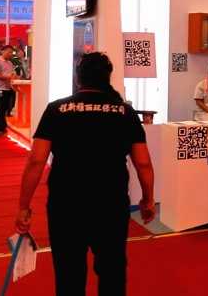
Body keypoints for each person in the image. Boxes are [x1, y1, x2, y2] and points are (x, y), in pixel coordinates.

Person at [15, 52, 155, 295]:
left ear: (78, 78)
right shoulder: (126, 113)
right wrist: (148, 199)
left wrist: (24, 206)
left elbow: (36, 161)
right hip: (110, 202)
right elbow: (143, 163)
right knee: (112, 269)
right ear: (108, 78)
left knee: (69, 271)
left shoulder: (57, 109)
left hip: (66, 202)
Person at [0, 45, 19, 135]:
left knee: (5, 109)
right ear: (3, 51)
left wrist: (14, 76)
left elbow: (11, 74)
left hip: (8, 88)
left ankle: (2, 127)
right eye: (9, 52)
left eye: (11, 52)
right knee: (0, 109)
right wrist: (8, 77)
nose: (10, 54)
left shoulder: (10, 63)